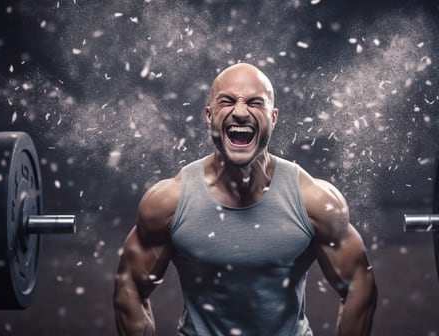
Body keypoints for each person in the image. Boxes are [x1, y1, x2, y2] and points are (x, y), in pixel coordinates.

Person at [113, 63, 377, 336]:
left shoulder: (314, 200)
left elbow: (359, 282)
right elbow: (130, 285)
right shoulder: (168, 202)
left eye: (255, 102)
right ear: (209, 115)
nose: (240, 112)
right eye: (226, 102)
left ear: (273, 118)